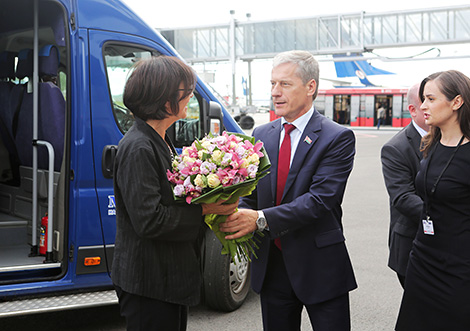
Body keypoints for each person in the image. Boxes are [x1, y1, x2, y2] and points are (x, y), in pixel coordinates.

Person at [219, 50, 357, 331]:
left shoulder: (337, 137)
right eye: (272, 84)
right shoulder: (262, 134)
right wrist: (233, 212)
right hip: (272, 267)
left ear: (310, 87)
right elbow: (252, 193)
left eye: (284, 84)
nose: (275, 92)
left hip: (319, 266)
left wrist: (258, 219)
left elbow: (319, 201)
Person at [111, 56, 238, 331]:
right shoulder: (138, 147)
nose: (190, 95)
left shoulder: (160, 139)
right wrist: (206, 209)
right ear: (164, 98)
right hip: (149, 282)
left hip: (166, 278)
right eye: (185, 90)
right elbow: (150, 219)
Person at [395, 70, 470, 330]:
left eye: (430, 99)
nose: (423, 106)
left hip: (460, 268)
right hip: (423, 260)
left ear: (456, 102)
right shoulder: (431, 143)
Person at [380, 83, 429, 289]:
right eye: (427, 100)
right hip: (412, 247)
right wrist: (449, 217)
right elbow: (403, 198)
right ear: (413, 110)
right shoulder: (396, 147)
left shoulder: (452, 138)